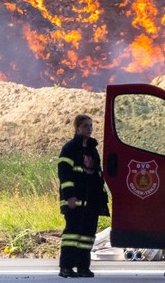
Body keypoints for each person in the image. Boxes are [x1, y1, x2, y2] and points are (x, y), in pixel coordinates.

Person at [57, 113, 108, 278]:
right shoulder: (70, 148)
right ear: (77, 128)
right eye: (86, 126)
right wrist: (69, 196)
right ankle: (66, 267)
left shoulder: (93, 150)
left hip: (91, 200)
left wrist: (101, 198)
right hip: (75, 200)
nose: (89, 129)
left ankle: (83, 267)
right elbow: (64, 174)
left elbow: (97, 175)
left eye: (91, 126)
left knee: (87, 236)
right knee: (72, 234)